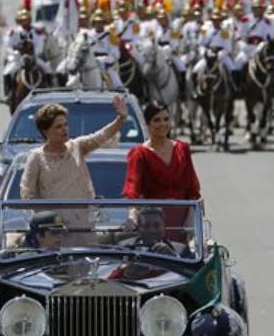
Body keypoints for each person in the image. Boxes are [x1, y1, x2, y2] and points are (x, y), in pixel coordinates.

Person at [19, 95, 129, 200]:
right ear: (45, 131)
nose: (64, 129)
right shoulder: (36, 157)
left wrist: (121, 119)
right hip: (52, 218)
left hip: (83, 217)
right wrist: (40, 215)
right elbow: (27, 193)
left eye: (65, 124)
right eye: (58, 127)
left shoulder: (78, 146)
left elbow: (101, 136)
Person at [123, 101, 201, 237]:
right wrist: (132, 217)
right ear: (148, 125)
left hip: (182, 223)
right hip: (154, 223)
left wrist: (190, 223)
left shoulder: (182, 149)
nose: (163, 124)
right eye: (157, 120)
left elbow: (192, 188)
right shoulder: (139, 154)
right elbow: (133, 190)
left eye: (166, 119)